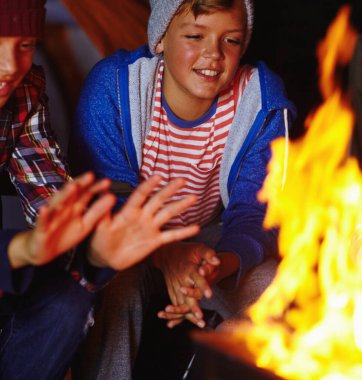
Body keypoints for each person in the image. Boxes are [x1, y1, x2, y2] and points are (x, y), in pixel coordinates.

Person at [70, 0, 296, 378]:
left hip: (211, 239)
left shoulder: (262, 102)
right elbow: (104, 199)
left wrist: (215, 265)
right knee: (114, 277)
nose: (214, 55)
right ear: (160, 39)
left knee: (273, 285)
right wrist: (166, 254)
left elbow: (260, 211)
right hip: (132, 242)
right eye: (195, 35)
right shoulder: (114, 87)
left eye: (232, 40)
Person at [0, 1, 198, 379]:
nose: (10, 65)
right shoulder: (116, 85)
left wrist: (95, 253)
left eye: (25, 44)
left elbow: (51, 200)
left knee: (68, 301)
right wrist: (21, 250)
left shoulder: (24, 94)